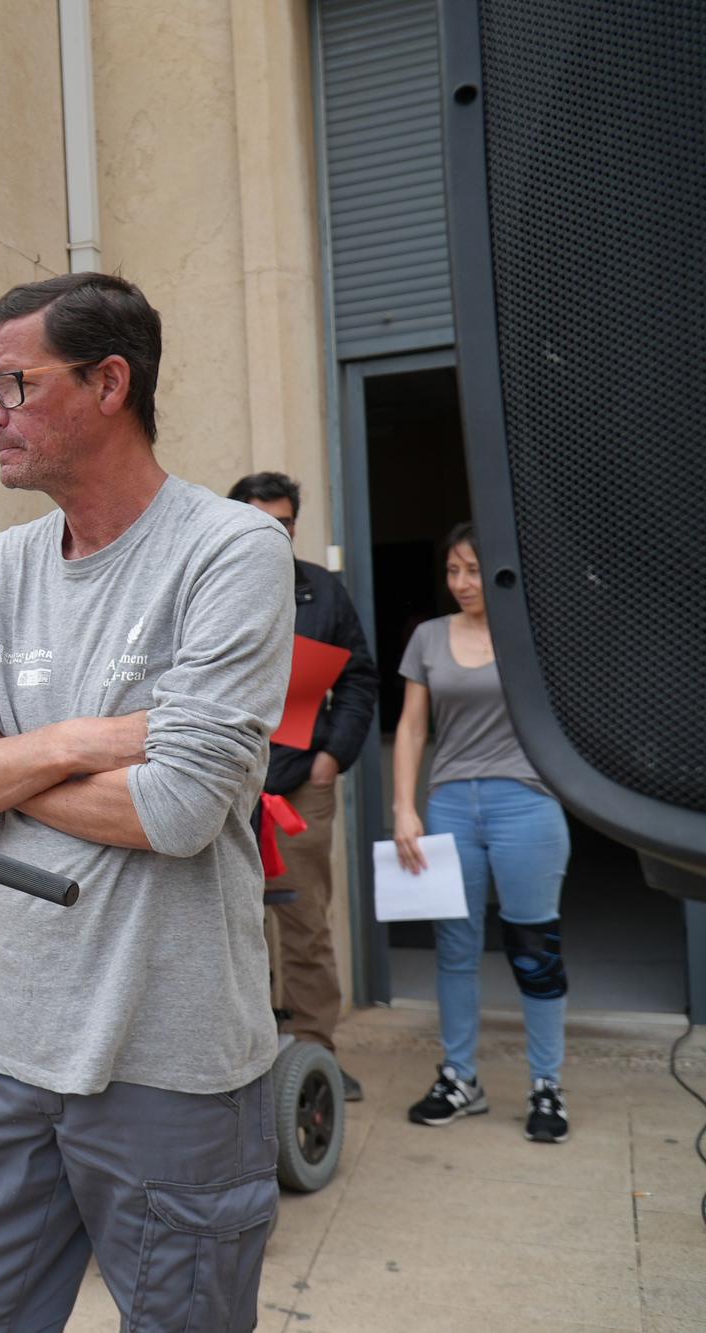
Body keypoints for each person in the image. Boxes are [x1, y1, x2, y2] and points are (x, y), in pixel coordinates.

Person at [0, 273, 293, 1330]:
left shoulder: (228, 550)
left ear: (109, 381)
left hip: (171, 1066)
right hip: (11, 1047)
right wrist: (76, 741)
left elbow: (175, 808)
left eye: (10, 385)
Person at [394, 521, 572, 1144]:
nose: (463, 583)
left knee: (534, 948)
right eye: (453, 571)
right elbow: (413, 729)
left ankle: (546, 1086)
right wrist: (403, 808)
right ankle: (460, 1078)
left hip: (526, 805)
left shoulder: (533, 637)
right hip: (448, 808)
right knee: (456, 948)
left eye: (474, 570)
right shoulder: (428, 637)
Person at [229, 471, 379, 1101]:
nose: (274, 532)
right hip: (225, 787)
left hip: (299, 788)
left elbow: (358, 678)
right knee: (232, 925)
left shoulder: (322, 589)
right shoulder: (209, 583)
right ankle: (247, 1055)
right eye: (261, 520)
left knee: (305, 922)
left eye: (284, 523)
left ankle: (316, 1051)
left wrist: (333, 755)